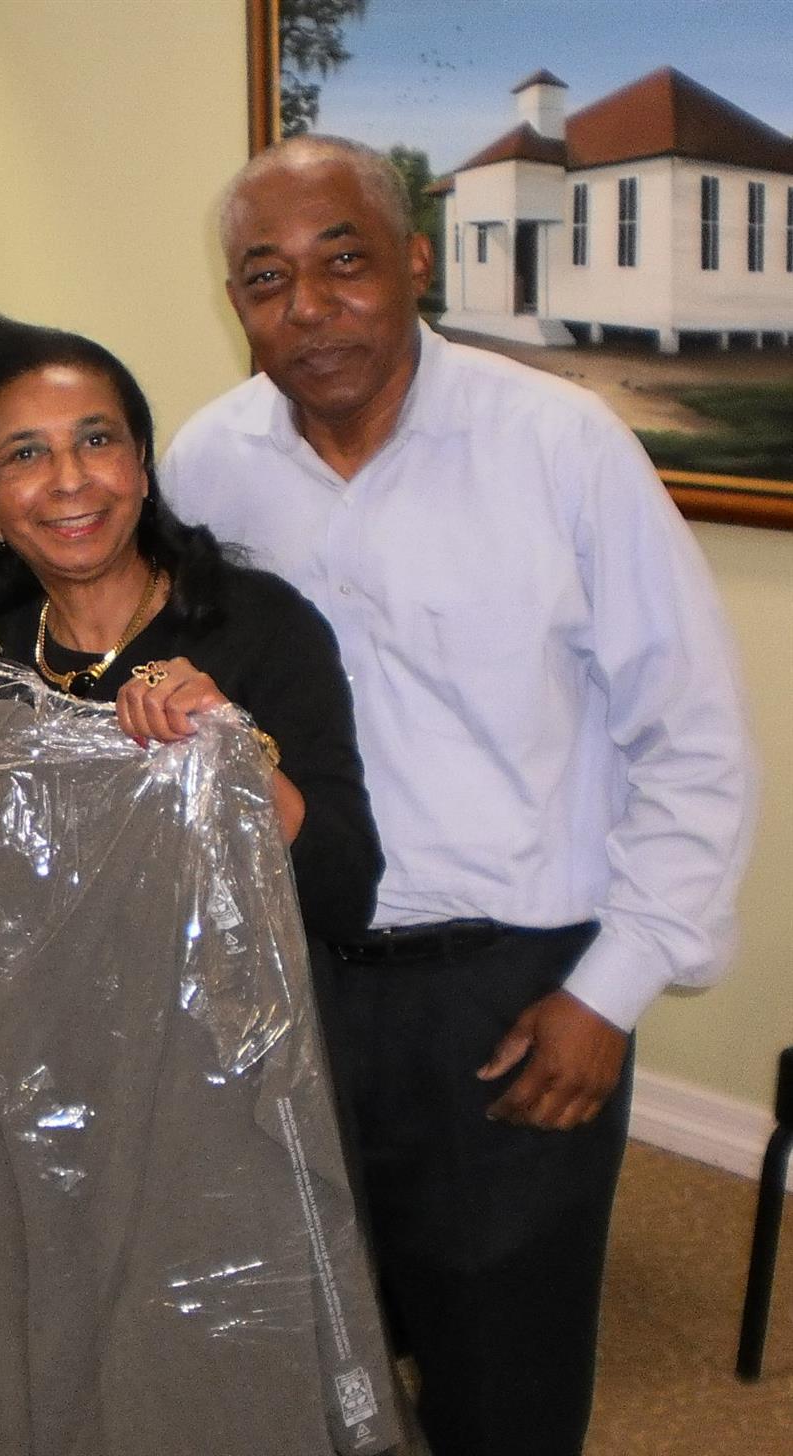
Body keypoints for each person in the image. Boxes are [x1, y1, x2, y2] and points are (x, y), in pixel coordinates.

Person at [164, 135, 757, 1456]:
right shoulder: (208, 469)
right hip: (290, 984)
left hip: (511, 998)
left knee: (504, 1385)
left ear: (415, 261)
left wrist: (611, 992)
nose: (308, 307)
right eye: (266, 278)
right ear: (235, 299)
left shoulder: (560, 446)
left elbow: (694, 736)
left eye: (344, 262)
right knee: (306, 1362)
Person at [0, 311, 382, 941]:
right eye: (26, 454)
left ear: (140, 463)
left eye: (96, 441)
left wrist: (232, 752)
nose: (70, 479)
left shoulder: (262, 628)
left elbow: (342, 898)